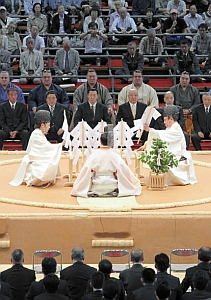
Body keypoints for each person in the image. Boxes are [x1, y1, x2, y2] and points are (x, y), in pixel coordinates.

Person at [71, 130, 142, 197]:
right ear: (111, 142)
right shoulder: (115, 156)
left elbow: (85, 172)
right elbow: (125, 170)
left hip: (97, 184)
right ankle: (112, 191)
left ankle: (96, 191)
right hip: (112, 183)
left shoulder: (93, 156)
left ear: (100, 141)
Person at [139, 105, 197, 186]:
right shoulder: (171, 128)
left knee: (162, 159)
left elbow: (162, 135)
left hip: (179, 155)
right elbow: (162, 137)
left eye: (165, 120)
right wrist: (146, 143)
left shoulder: (176, 129)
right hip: (174, 153)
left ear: (171, 119)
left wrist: (149, 130)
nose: (164, 122)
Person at [9, 110, 65, 187]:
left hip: (36, 159)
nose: (49, 127)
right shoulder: (36, 134)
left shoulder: (39, 133)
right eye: (48, 125)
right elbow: (46, 148)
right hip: (32, 162)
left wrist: (58, 149)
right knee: (48, 165)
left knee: (51, 160)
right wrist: (60, 145)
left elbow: (46, 147)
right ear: (42, 125)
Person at [170, 71, 201, 137]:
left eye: (186, 79)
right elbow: (170, 103)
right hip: (177, 114)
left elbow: (197, 103)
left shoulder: (194, 90)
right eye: (183, 78)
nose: (184, 80)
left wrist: (189, 110)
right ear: (180, 79)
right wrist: (180, 111)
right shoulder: (173, 89)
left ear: (189, 80)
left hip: (190, 114)